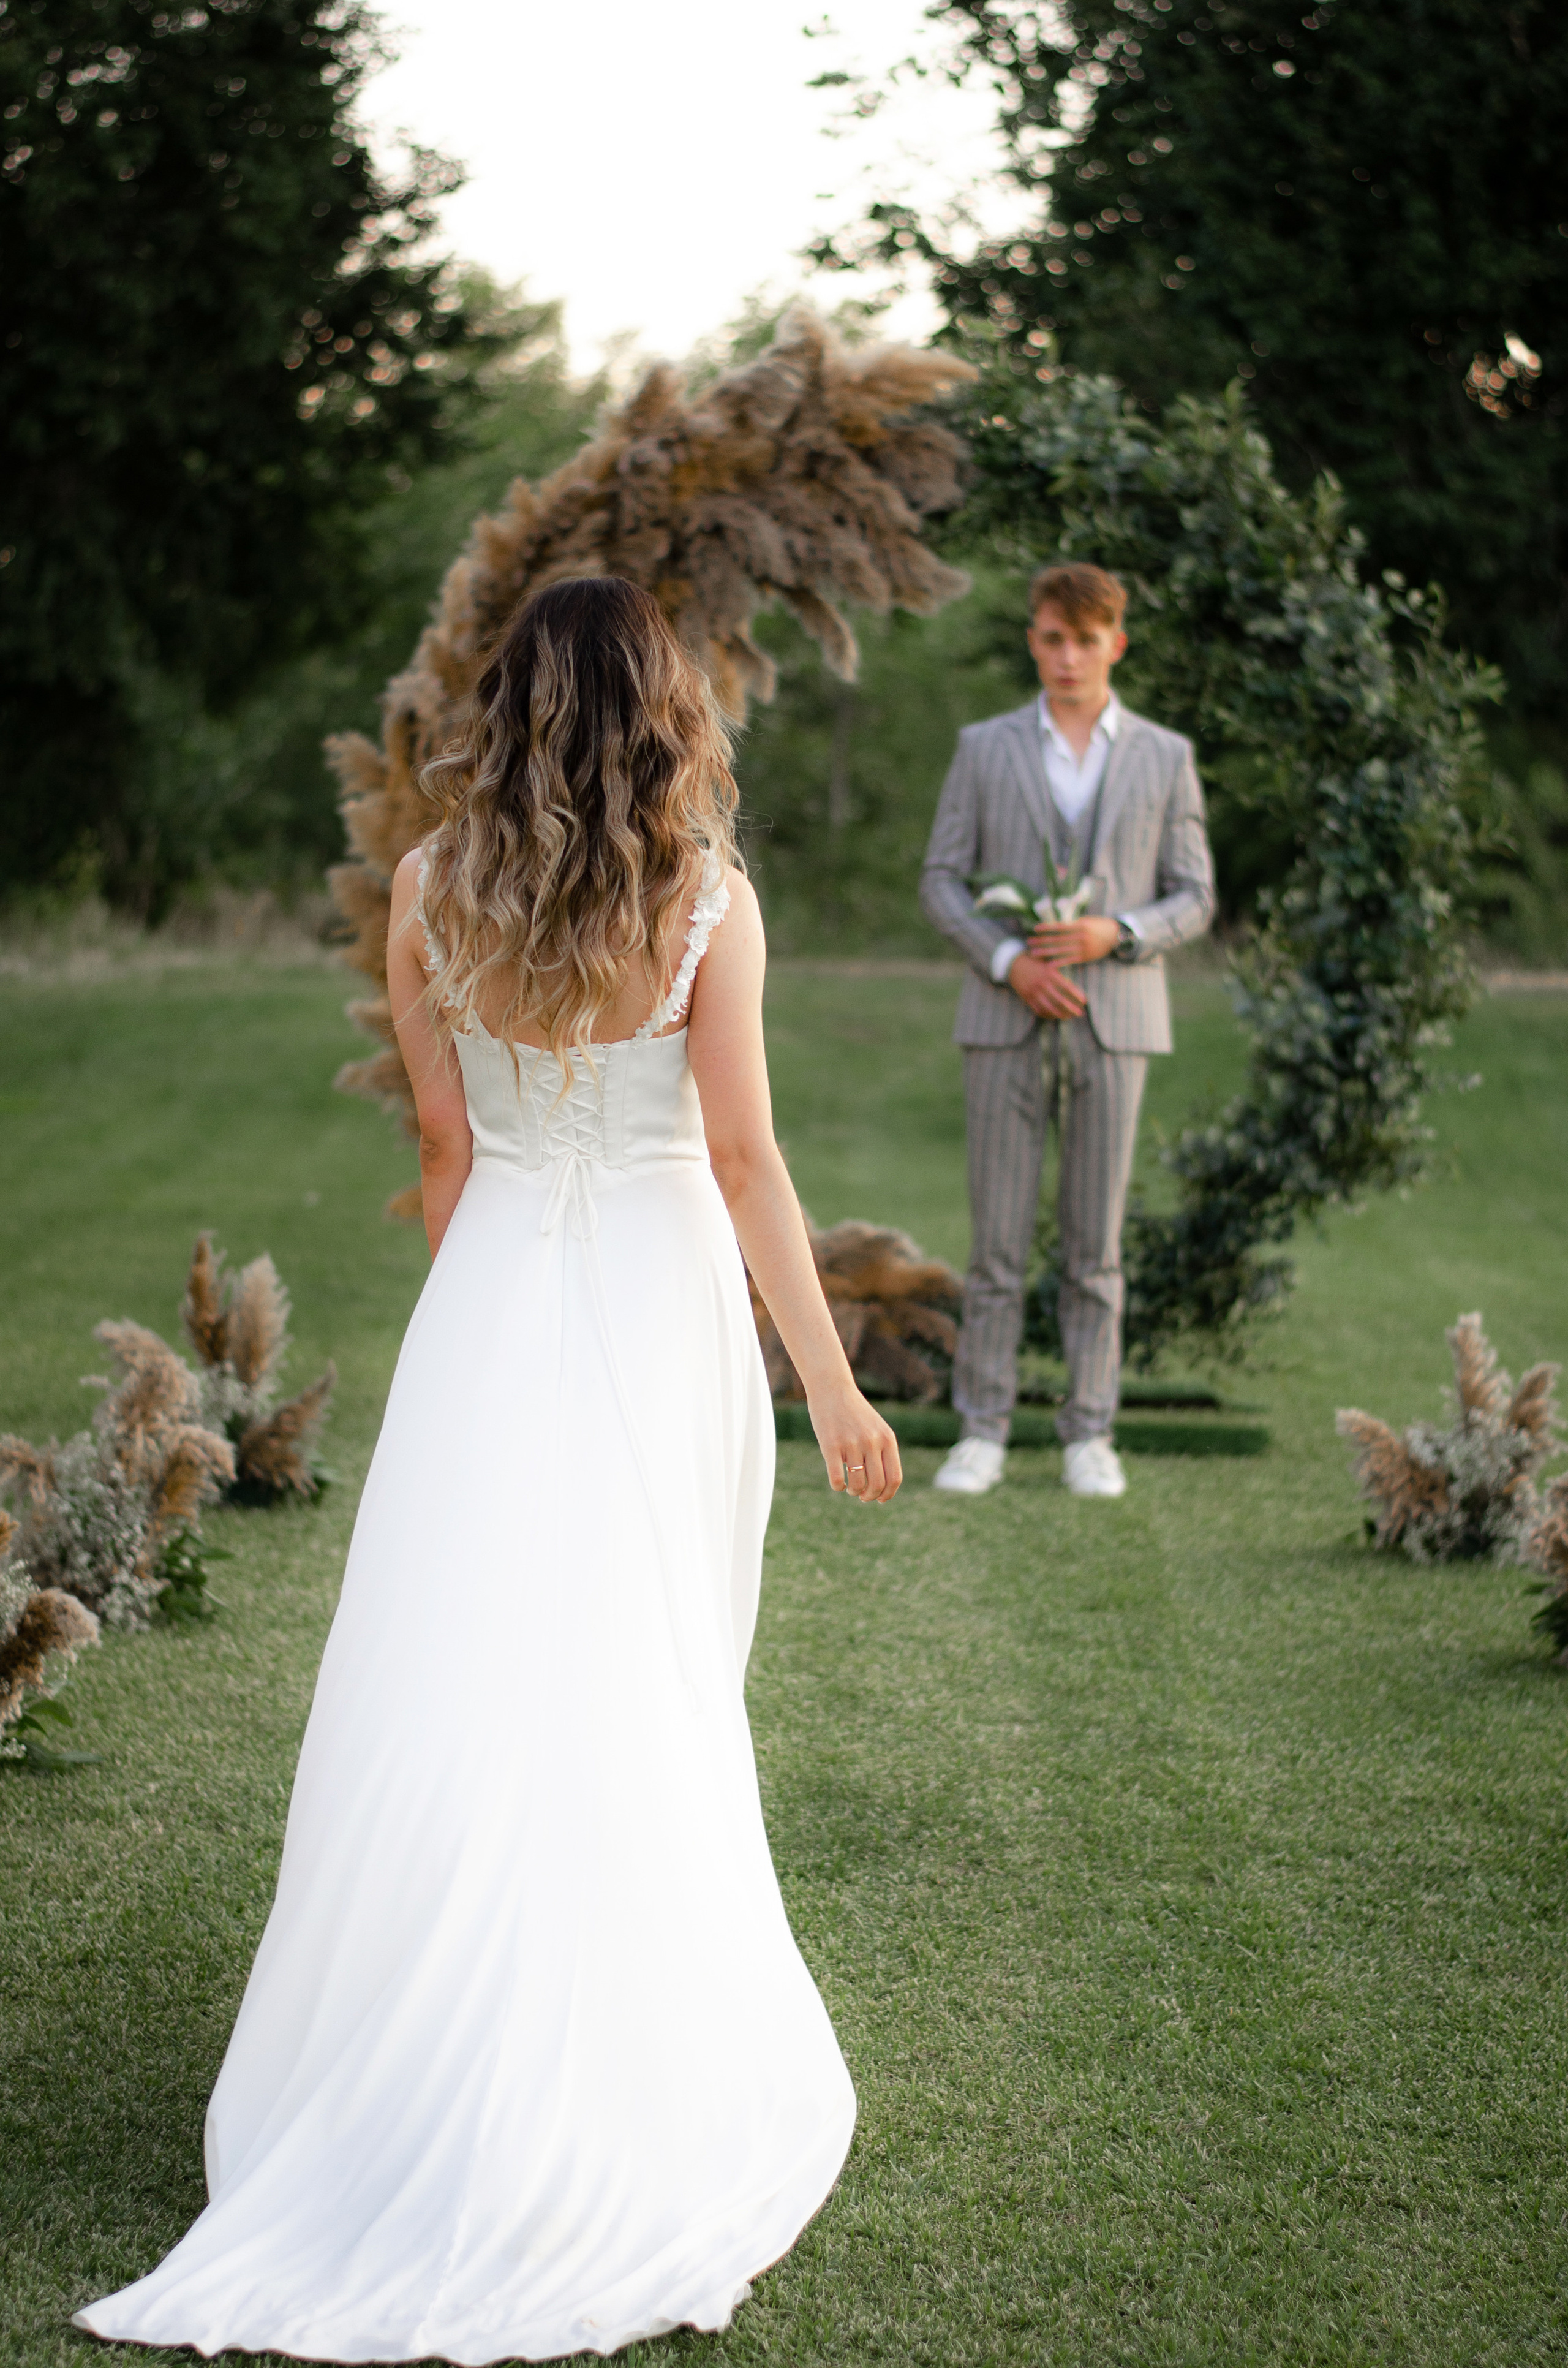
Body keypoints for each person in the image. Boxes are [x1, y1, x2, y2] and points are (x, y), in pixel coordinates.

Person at [75, 577, 902, 2362]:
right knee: (653, 1668)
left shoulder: (436, 890)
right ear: (665, 709)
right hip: (662, 1310)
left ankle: (421, 2047)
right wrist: (831, 1387)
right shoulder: (708, 901)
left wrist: (487, 1337)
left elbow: (450, 1151)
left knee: (466, 1684)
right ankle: (610, 2062)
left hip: (494, 1314)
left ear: (512, 707)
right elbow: (749, 1162)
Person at [919, 562, 1215, 1499]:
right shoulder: (984, 746)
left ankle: (1090, 1433)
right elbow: (939, 880)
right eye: (1052, 636)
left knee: (1097, 1246)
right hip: (1005, 1020)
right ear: (1034, 640)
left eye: (1086, 640)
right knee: (997, 1242)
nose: (1068, 655)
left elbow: (1197, 894)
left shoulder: (1165, 757)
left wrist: (1115, 933)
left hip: (1117, 1022)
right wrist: (1011, 962)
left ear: (1116, 644)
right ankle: (983, 1429)